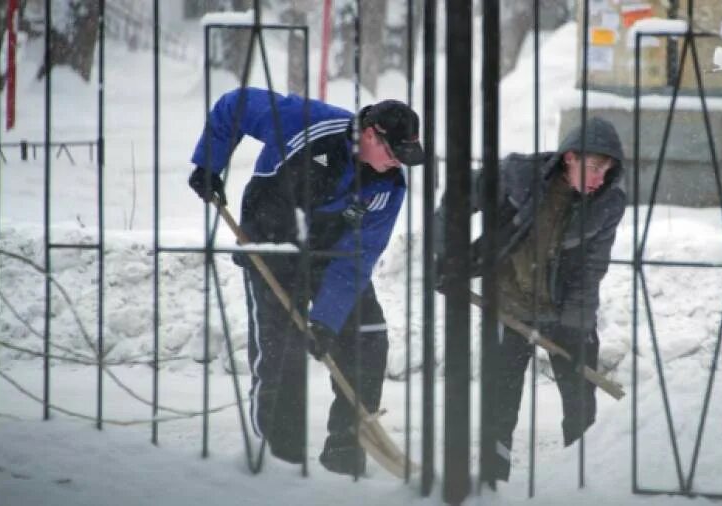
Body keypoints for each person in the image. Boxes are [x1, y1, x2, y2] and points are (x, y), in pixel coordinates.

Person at [187, 87, 424, 476]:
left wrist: (326, 321)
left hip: (333, 256)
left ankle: (345, 451)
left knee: (368, 337)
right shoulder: (309, 122)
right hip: (273, 247)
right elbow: (235, 104)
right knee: (282, 352)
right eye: (393, 153)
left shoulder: (388, 187)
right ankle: (279, 459)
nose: (397, 164)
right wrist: (209, 164)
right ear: (370, 134)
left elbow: (358, 258)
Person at [445, 115, 626, 482]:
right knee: (499, 406)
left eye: (605, 172)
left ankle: (580, 481)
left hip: (569, 308)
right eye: (592, 168)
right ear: (569, 157)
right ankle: (493, 482)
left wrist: (573, 328)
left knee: (580, 406)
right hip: (509, 303)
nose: (598, 180)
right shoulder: (517, 175)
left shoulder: (608, 203)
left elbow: (591, 269)